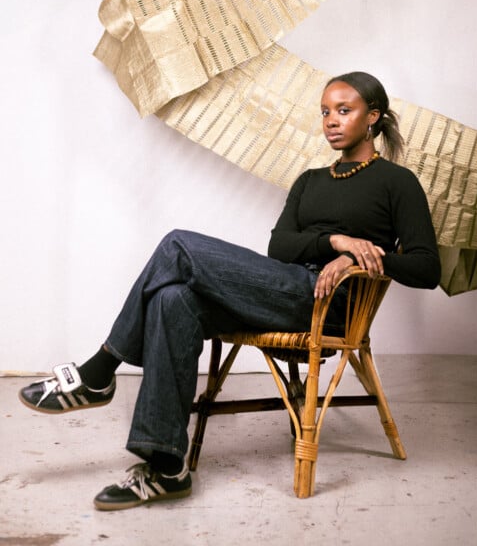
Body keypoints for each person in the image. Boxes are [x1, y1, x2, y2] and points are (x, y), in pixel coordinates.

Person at [19, 71, 441, 511]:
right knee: (172, 299)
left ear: (372, 116)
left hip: (325, 305)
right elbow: (279, 246)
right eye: (324, 111)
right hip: (280, 289)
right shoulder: (310, 180)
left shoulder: (397, 183)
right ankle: (166, 468)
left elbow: (427, 268)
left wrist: (357, 259)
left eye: (343, 110)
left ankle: (100, 370)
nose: (330, 120)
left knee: (178, 244)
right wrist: (335, 241)